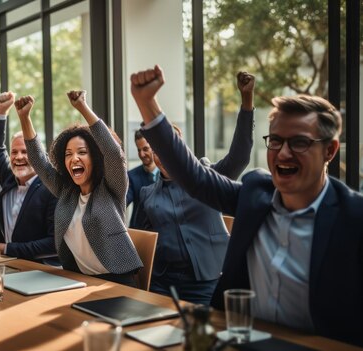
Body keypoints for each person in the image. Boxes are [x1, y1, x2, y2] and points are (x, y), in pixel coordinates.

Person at [131, 64, 363, 346]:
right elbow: (192, 176)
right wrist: (146, 102)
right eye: (275, 141)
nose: (284, 153)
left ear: (330, 150)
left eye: (300, 142)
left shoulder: (354, 217)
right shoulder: (255, 195)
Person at [133, 71, 255, 305]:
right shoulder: (147, 193)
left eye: (170, 149)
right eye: (156, 151)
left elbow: (239, 157)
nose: (162, 156)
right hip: (163, 281)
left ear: (181, 149)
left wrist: (246, 101)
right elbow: (141, 239)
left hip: (207, 280)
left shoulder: (207, 176)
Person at [16, 91, 142, 286]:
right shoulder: (66, 192)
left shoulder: (112, 188)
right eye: (68, 154)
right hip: (78, 280)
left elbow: (113, 154)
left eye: (82, 152)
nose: (74, 158)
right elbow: (39, 162)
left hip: (117, 281)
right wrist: (24, 117)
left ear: (96, 157)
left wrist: (83, 107)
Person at [0, 91, 58, 263]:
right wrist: (0, 112)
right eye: (14, 152)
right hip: (8, 264)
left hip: (43, 270)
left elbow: (54, 244)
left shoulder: (52, 187)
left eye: (25, 152)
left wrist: (6, 248)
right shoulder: (9, 179)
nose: (18, 157)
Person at [126, 130, 159, 228]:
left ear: (154, 147)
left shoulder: (167, 175)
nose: (141, 154)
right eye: (139, 150)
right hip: (141, 234)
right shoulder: (131, 176)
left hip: (163, 235)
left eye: (145, 149)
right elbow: (123, 201)